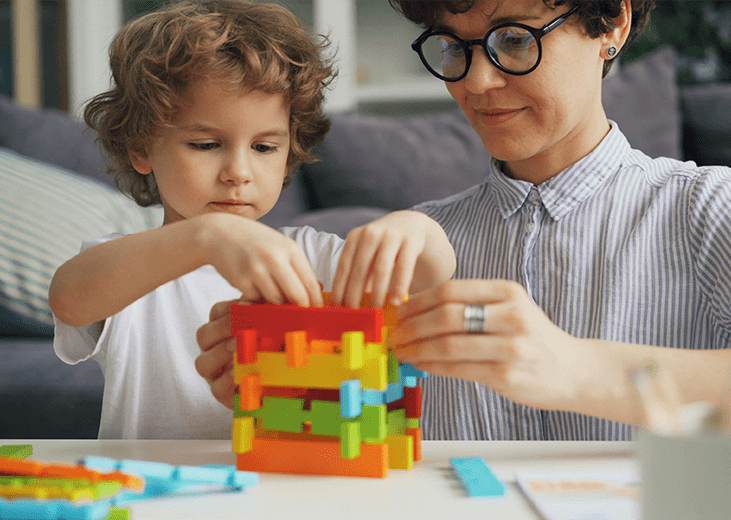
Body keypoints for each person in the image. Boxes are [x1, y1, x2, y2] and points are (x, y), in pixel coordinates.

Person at [49, 0, 455, 440]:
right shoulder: (130, 269)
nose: (238, 172)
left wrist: (418, 229)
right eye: (206, 145)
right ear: (142, 148)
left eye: (264, 148)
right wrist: (207, 237)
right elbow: (69, 298)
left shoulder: (311, 255)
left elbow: (431, 273)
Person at [379, 0, 731, 440]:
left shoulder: (710, 206)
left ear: (612, 26)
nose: (477, 81)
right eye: (452, 46)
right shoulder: (417, 245)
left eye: (513, 40)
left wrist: (573, 369)